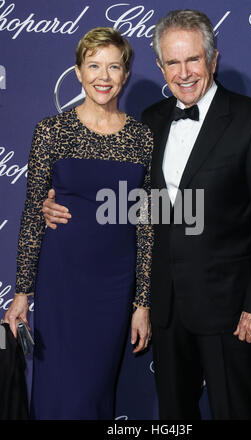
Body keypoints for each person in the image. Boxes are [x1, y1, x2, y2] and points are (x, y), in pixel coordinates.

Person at [42, 10, 251, 420]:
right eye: (172, 62)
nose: (184, 72)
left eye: (193, 59)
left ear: (213, 60)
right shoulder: (151, 122)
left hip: (231, 309)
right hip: (167, 308)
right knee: (175, 418)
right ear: (160, 67)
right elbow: (130, 204)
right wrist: (58, 202)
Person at [4, 27, 153, 420]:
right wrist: (22, 293)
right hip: (61, 283)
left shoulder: (142, 138)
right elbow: (33, 215)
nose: (103, 76)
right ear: (77, 72)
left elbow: (147, 224)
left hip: (114, 286)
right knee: (58, 391)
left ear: (126, 74)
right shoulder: (51, 132)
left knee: (95, 393)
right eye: (94, 66)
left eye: (114, 67)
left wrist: (142, 303)